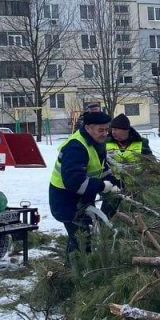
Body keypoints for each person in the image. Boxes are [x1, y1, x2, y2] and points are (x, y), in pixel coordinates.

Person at [49, 110, 119, 257]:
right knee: (81, 239)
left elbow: (101, 167)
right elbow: (75, 182)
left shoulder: (96, 141)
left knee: (84, 234)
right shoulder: (76, 147)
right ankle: (74, 273)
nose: (105, 133)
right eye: (101, 130)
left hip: (82, 197)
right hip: (65, 199)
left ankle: (78, 268)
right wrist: (102, 186)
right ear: (88, 128)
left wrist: (113, 182)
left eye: (107, 129)